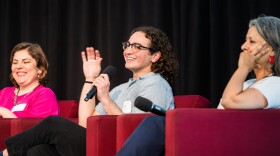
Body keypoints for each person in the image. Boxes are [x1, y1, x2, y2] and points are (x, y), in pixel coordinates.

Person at [0, 26, 179, 156]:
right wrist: (90, 78)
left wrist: (106, 100)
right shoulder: (120, 88)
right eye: (128, 45)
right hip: (97, 142)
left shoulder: (156, 84)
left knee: (53, 124)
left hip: (118, 147)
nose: (128, 50)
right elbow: (86, 123)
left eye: (137, 47)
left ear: (155, 56)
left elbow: (138, 132)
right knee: (38, 151)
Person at [116, 15, 280, 156]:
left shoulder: (276, 84)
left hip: (230, 142)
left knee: (156, 125)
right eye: (245, 40)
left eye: (251, 41)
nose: (243, 47)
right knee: (159, 126)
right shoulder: (248, 84)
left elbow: (230, 102)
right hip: (216, 136)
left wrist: (243, 67)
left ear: (271, 50)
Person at [0, 42, 59, 118]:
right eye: (15, 62)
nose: (18, 66)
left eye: (26, 62)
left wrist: (4, 112)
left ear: (40, 69)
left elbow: (33, 127)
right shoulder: (3, 93)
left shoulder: (45, 95)